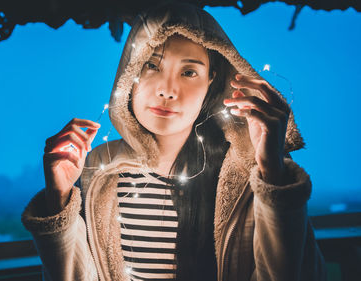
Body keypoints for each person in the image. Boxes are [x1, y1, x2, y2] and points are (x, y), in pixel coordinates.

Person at [21, 2, 326, 281]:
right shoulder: (98, 169)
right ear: (130, 72)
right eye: (152, 65)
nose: (168, 90)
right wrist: (58, 201)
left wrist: (272, 172)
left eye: (189, 72)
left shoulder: (251, 173)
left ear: (212, 83)